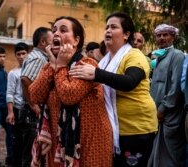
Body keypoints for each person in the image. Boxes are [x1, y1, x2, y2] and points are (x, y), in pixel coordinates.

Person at [68, 12, 158, 167]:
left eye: (114, 27)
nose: (108, 30)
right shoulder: (106, 60)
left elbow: (129, 82)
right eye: (107, 27)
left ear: (126, 34)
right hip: (115, 129)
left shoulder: (135, 55)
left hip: (137, 130)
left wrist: (96, 74)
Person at [29, 16, 113, 167]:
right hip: (58, 142)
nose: (56, 33)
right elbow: (35, 95)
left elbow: (69, 95)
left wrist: (60, 66)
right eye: (54, 30)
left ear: (76, 40)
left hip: (89, 141)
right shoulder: (49, 67)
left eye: (63, 30)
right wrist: (54, 66)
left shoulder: (87, 64)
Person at [147, 24, 186, 167]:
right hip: (156, 114)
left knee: (170, 154)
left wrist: (163, 108)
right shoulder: (158, 57)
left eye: (165, 35)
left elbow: (176, 86)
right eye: (159, 35)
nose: (162, 38)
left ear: (173, 37)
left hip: (170, 115)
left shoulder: (177, 55)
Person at [20, 27, 53, 167]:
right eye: (53, 41)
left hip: (31, 112)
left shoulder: (37, 56)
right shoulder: (39, 58)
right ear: (43, 42)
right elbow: (25, 79)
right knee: (32, 155)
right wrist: (33, 104)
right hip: (32, 113)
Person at [5, 42, 31, 167]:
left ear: (28, 54)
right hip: (18, 110)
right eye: (19, 54)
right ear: (15, 56)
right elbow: (10, 93)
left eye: (24, 53)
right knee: (17, 142)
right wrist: (10, 112)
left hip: (31, 111)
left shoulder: (34, 70)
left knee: (30, 142)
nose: (21, 56)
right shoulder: (13, 73)